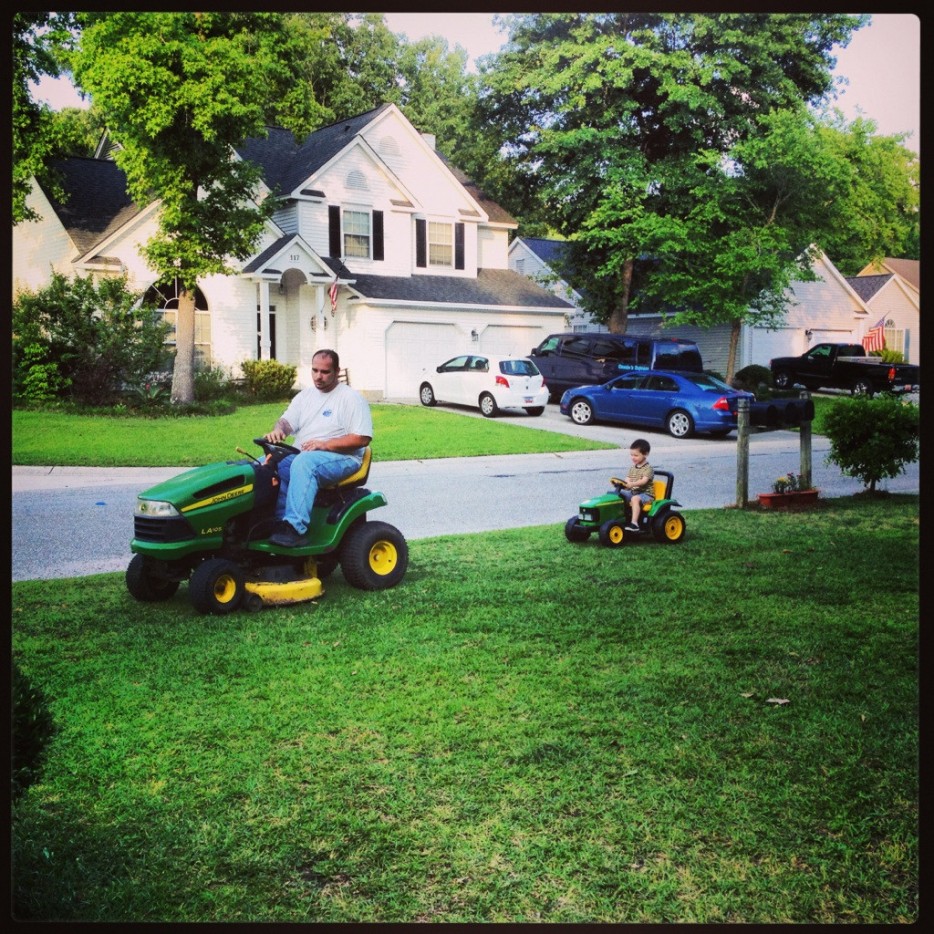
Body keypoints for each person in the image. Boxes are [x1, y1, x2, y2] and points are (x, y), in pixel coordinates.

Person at [264, 349, 373, 548]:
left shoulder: (351, 399)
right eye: (314, 370)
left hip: (343, 458)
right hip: (306, 455)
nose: (318, 377)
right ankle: (276, 522)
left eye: (325, 372)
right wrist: (279, 430)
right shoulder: (305, 396)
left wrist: (325, 444)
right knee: (265, 464)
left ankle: (295, 529)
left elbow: (362, 438)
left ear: (337, 371)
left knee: (304, 463)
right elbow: (287, 422)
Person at [614, 438, 655, 532]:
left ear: (645, 454)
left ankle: (634, 524)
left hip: (646, 495)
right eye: (631, 455)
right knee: (618, 495)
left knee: (635, 499)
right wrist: (622, 485)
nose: (633, 457)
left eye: (636, 455)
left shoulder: (648, 469)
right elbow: (627, 480)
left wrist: (631, 484)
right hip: (634, 492)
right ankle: (620, 520)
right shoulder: (633, 468)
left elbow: (643, 481)